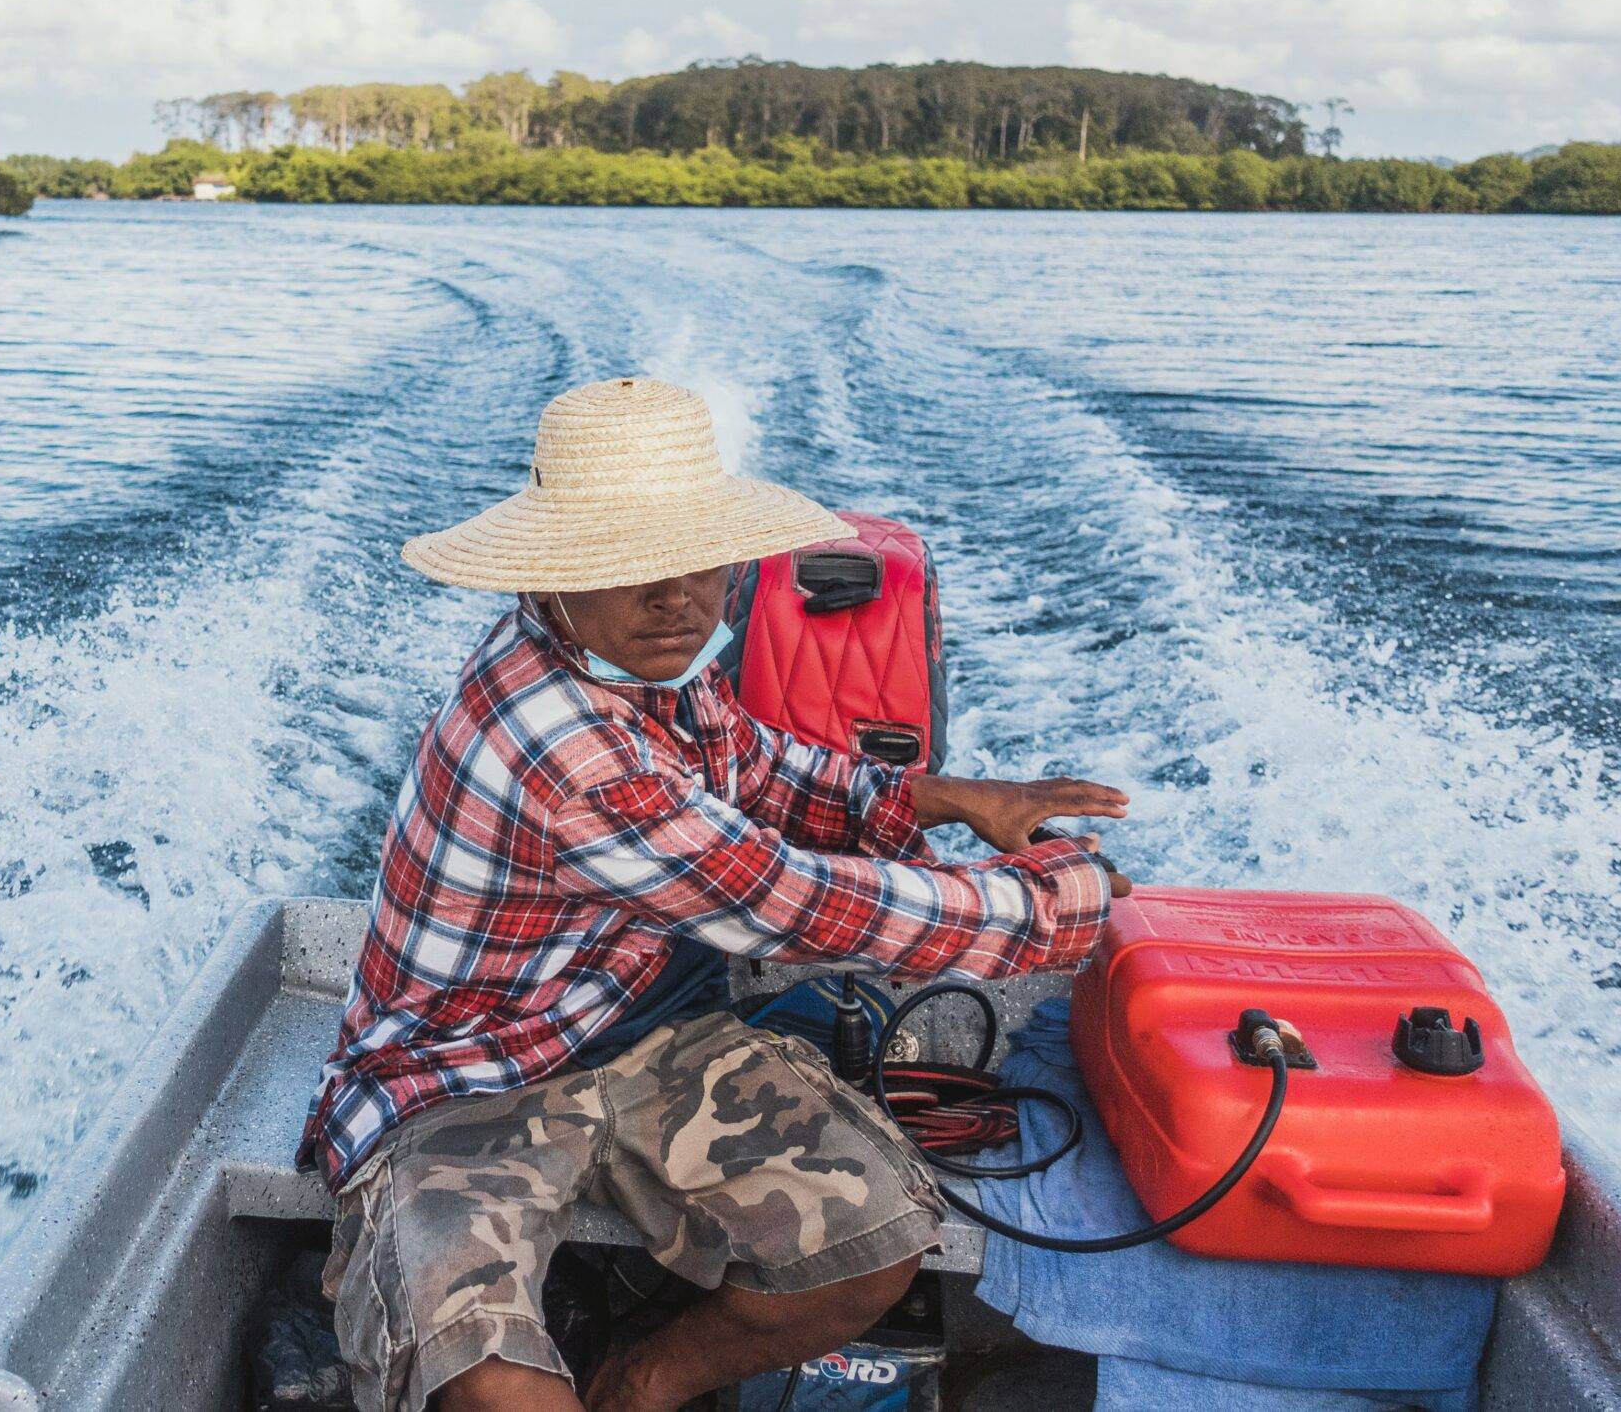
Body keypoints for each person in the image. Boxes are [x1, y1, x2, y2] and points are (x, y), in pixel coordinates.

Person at [301, 377, 1132, 1412]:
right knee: (487, 1377)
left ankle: (633, 1386)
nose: (675, 595)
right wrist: (1056, 903)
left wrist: (934, 797)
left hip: (639, 1028)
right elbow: (792, 904)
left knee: (869, 1249)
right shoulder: (565, 741)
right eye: (628, 564)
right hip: (471, 1074)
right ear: (551, 574)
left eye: (698, 556)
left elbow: (760, 772)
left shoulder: (647, 662)